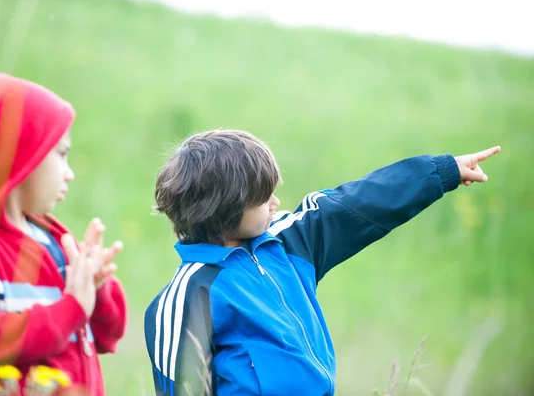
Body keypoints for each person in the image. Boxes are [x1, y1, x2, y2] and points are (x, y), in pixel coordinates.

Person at [144, 129, 500, 396]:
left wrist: (441, 172)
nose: (275, 202)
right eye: (262, 196)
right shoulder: (188, 295)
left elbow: (358, 203)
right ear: (225, 207)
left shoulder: (288, 240)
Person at [0, 72, 127, 396]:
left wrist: (96, 288)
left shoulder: (53, 238)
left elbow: (110, 335)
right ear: (22, 157)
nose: (70, 173)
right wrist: (72, 307)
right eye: (61, 154)